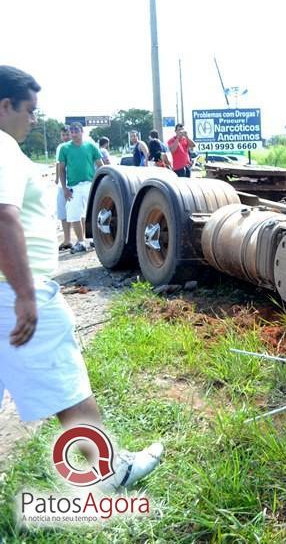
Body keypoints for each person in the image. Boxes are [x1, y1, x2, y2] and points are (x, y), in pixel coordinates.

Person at [0, 66, 163, 489]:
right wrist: (24, 294)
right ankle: (108, 473)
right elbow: (2, 217)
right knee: (66, 379)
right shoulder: (1, 146)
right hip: (15, 290)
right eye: (30, 110)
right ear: (5, 106)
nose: (34, 119)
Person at [57, 122, 102, 253]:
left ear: (82, 132)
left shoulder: (91, 146)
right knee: (74, 215)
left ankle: (95, 239)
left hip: (90, 185)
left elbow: (100, 165)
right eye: (71, 131)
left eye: (76, 131)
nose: (73, 134)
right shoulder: (64, 148)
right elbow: (61, 169)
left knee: (93, 214)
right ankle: (81, 242)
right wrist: (64, 188)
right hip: (73, 187)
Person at [54, 126, 72, 251]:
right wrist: (56, 178)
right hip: (62, 185)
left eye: (67, 134)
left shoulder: (76, 146)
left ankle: (83, 240)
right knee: (63, 213)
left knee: (77, 213)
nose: (65, 137)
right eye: (63, 135)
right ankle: (67, 239)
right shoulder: (60, 147)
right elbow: (58, 164)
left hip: (73, 184)